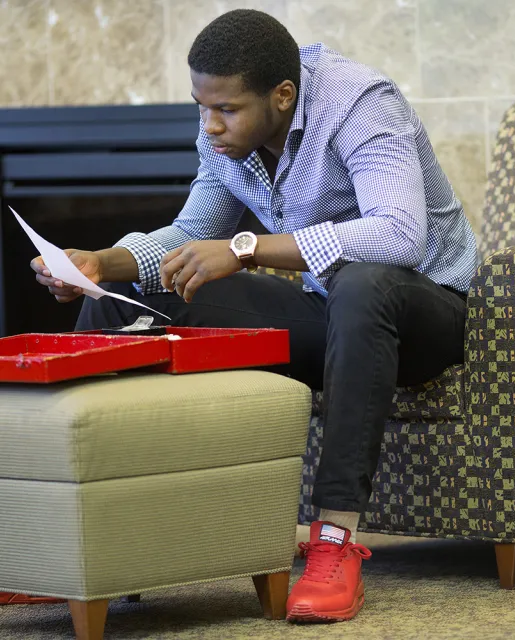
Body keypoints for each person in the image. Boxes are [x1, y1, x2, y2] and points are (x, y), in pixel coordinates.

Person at [30, 9, 477, 623]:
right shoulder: (225, 140)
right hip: (336, 321)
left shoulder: (361, 104)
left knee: (364, 282)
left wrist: (246, 250)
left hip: (430, 314)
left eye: (227, 110)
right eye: (200, 106)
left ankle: (335, 542)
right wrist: (102, 265)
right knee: (139, 294)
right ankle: (89, 543)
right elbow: (191, 236)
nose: (209, 125)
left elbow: (398, 235)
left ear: (282, 96)